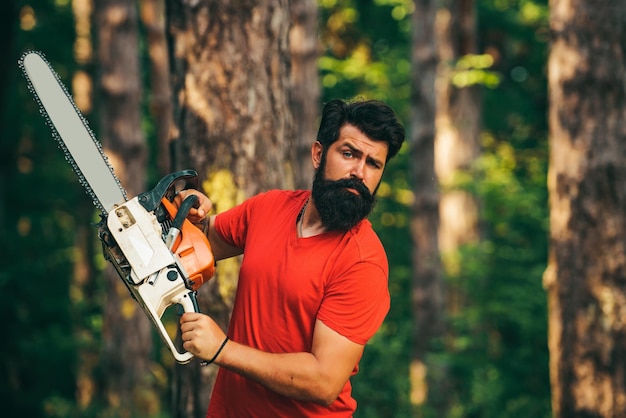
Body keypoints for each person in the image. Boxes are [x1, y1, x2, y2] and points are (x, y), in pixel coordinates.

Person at [175, 98, 405, 417]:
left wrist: (222, 350)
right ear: (318, 154)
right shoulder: (270, 208)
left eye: (373, 163)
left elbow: (325, 381)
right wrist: (188, 214)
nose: (359, 172)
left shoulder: (362, 261)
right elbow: (196, 247)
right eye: (349, 153)